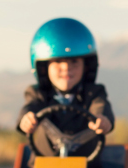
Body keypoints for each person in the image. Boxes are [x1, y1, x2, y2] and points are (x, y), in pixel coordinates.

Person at [16, 18, 114, 168]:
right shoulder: (37, 93)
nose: (66, 67)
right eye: (58, 61)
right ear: (43, 67)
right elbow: (29, 108)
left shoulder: (94, 93)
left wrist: (102, 120)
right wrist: (26, 120)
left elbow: (100, 107)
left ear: (87, 66)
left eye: (74, 61)